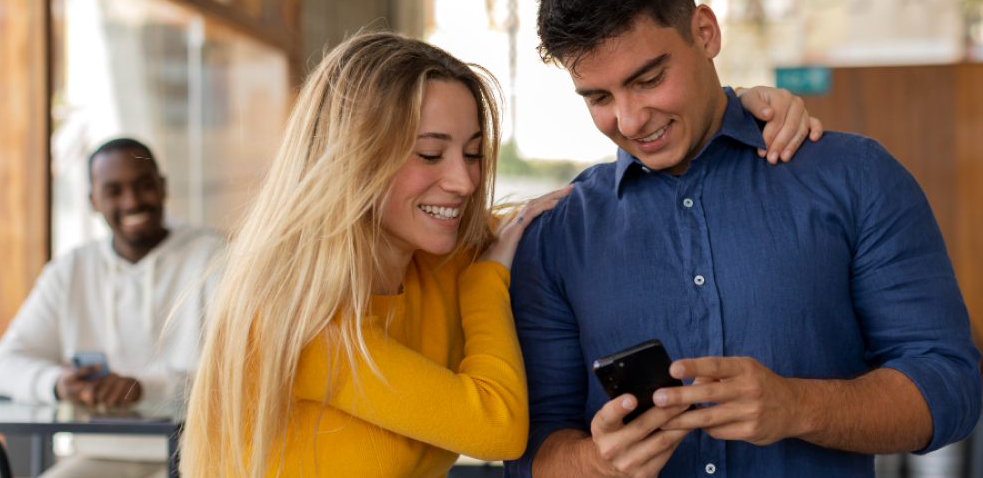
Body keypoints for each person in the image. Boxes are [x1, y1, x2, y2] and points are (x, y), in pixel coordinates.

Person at [178, 30, 819, 478]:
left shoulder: (434, 250)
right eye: (429, 154)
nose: (460, 181)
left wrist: (740, 110)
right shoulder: (299, 320)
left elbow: (551, 206)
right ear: (350, 161)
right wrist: (488, 277)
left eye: (473, 151)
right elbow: (497, 426)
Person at [505, 0, 983, 477]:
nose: (628, 120)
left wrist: (797, 406)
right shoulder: (556, 235)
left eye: (648, 79)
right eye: (599, 97)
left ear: (706, 33)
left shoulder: (856, 177)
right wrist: (595, 464)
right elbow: (530, 449)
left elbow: (948, 387)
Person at [0, 138, 225, 478]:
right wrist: (58, 383)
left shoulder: (215, 257)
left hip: (196, 456)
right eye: (114, 191)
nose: (132, 201)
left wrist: (145, 388)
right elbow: (5, 364)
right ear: (93, 201)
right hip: (103, 453)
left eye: (144, 186)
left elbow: (240, 373)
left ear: (163, 187)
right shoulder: (71, 270)